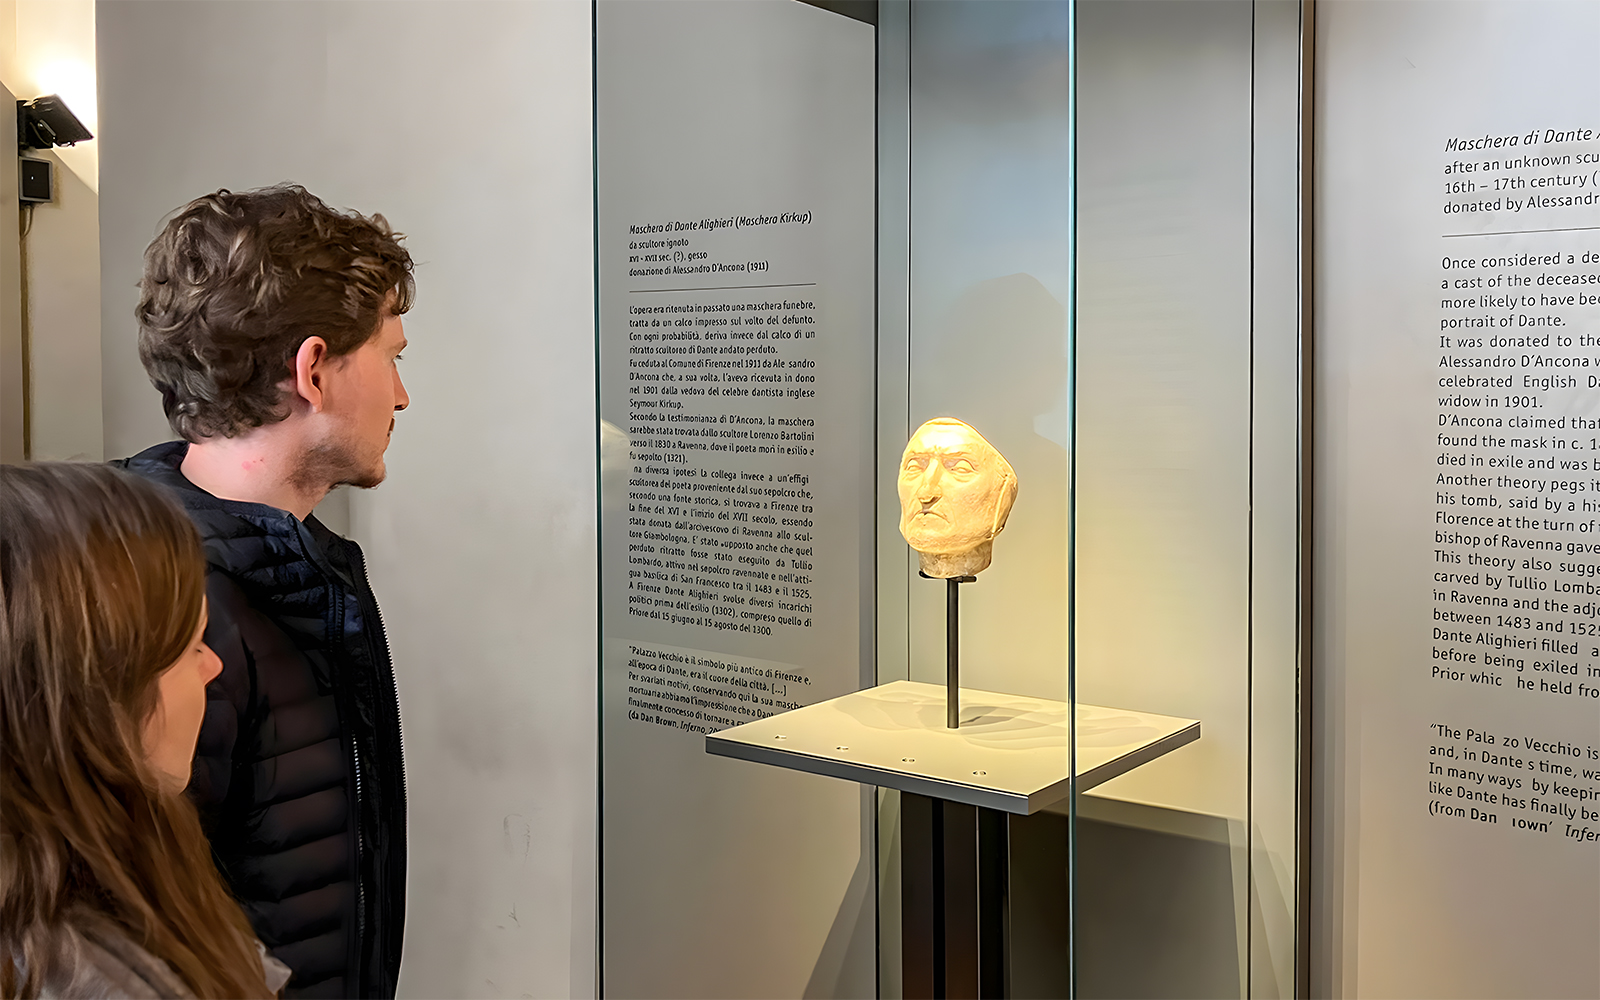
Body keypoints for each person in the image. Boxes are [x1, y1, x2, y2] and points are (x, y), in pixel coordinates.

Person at [116, 184, 412, 998]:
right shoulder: (167, 607)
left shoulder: (298, 567)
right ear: (313, 371)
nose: (400, 395)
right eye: (393, 357)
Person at [0, 462, 290, 998]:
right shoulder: (88, 979)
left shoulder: (129, 867)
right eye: (191, 646)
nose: (213, 666)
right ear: (93, 694)